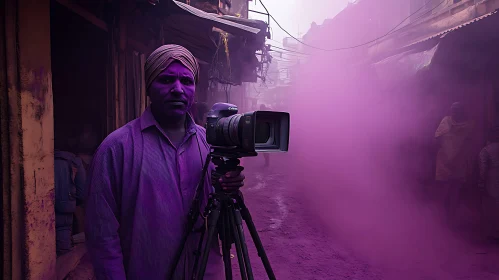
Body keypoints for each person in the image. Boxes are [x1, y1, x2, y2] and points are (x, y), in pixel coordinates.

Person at [85, 44, 245, 280]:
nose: (178, 89)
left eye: (187, 82)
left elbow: (227, 234)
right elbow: (102, 238)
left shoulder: (211, 146)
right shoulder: (116, 149)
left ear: (194, 90)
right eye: (167, 80)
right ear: (149, 87)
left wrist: (231, 193)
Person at [434, 102, 474, 224]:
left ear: (462, 112)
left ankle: (451, 217)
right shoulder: (446, 121)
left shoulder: (469, 125)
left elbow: (469, 142)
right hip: (445, 163)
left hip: (459, 163)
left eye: (457, 110)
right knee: (446, 191)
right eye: (453, 110)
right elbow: (438, 137)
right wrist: (446, 154)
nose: (454, 112)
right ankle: (444, 217)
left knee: (455, 192)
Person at [54, 149, 86, 256]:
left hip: (37, 213)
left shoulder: (37, 158)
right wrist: (70, 203)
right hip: (64, 213)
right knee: (62, 256)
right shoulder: (74, 161)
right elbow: (82, 193)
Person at [478, 126, 499, 242]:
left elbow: (483, 169)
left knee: (490, 208)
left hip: (491, 180)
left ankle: (492, 235)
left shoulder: (485, 150)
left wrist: (481, 184)